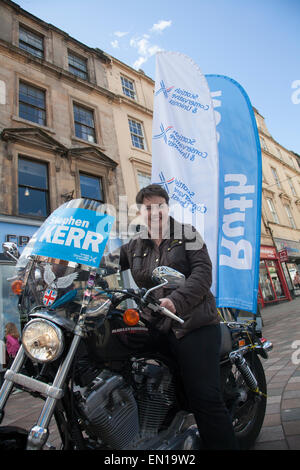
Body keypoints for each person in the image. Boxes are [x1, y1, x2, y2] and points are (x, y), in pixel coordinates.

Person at [119, 184, 238, 450]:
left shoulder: (187, 233)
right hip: (158, 324)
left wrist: (175, 301)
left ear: (167, 207)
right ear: (141, 212)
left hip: (193, 323)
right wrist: (65, 264)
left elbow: (203, 273)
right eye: (148, 208)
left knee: (204, 399)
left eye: (160, 205)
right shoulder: (135, 245)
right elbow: (103, 261)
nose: (155, 212)